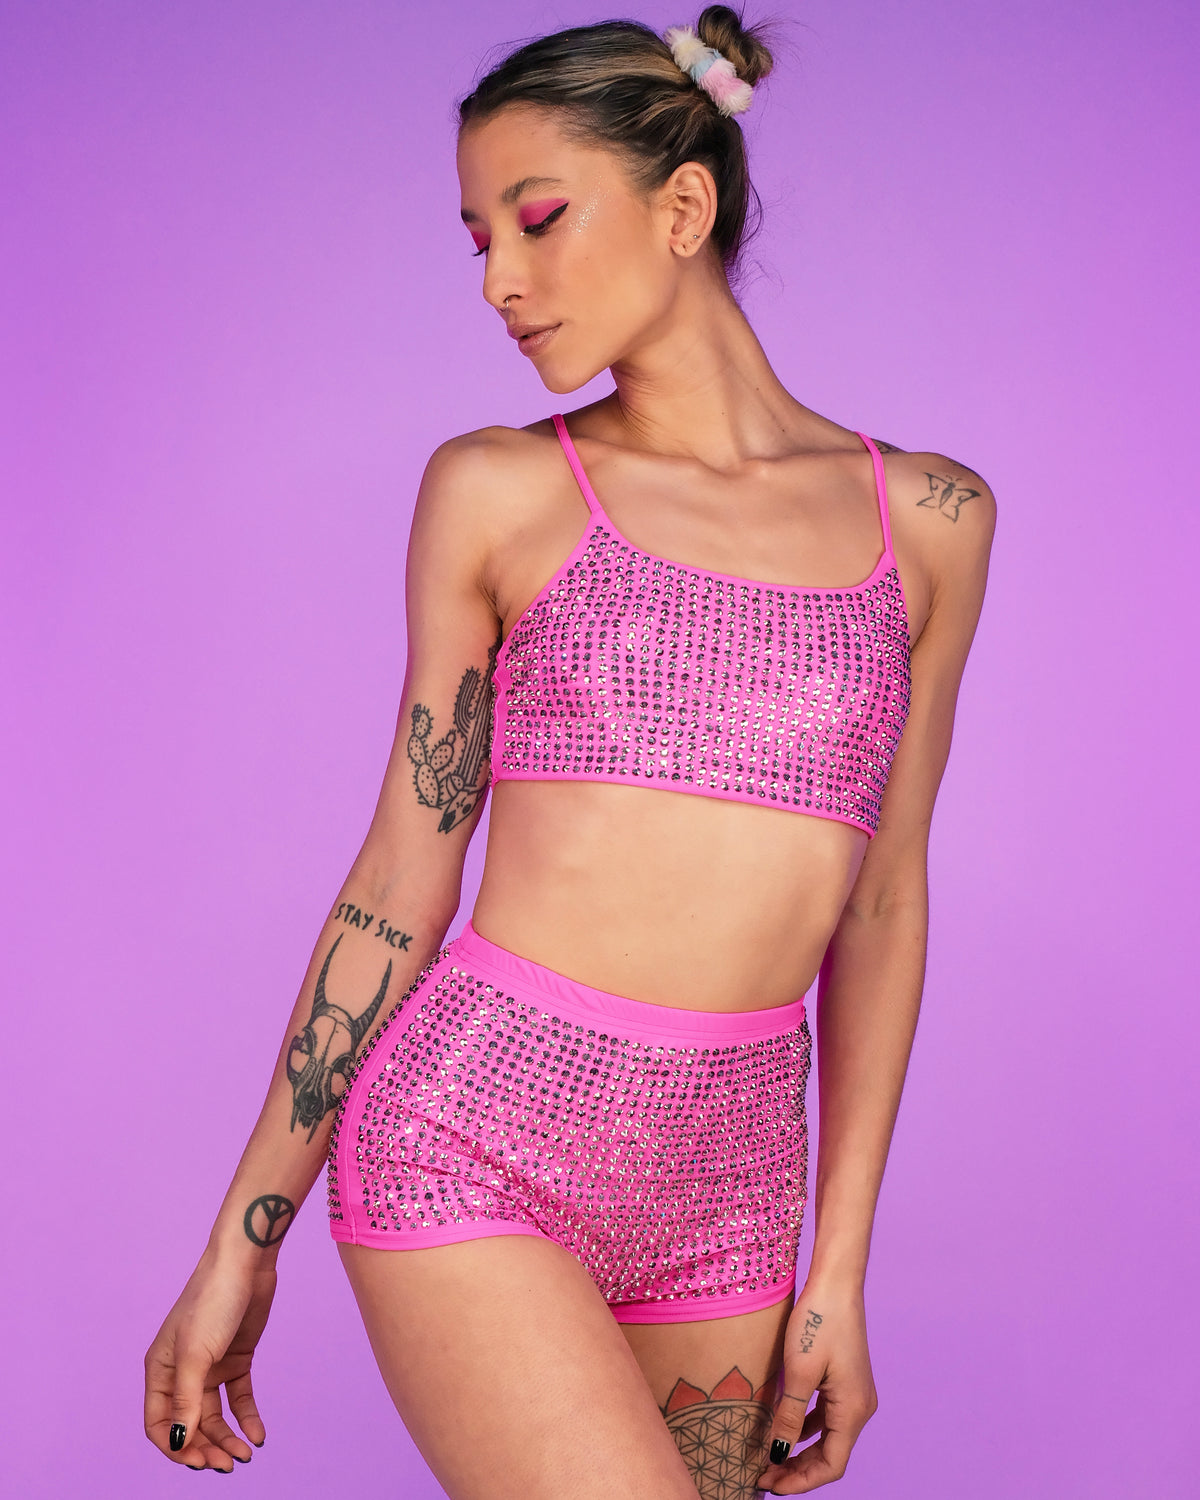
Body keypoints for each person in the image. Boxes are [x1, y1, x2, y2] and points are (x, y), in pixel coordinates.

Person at [143, 7, 994, 1496]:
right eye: (478, 239)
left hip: (733, 1179)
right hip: (475, 1133)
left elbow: (882, 898)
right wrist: (242, 1235)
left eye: (537, 221)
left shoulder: (929, 519)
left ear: (685, 207)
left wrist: (839, 1264)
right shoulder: (497, 492)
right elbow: (402, 874)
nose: (499, 280)